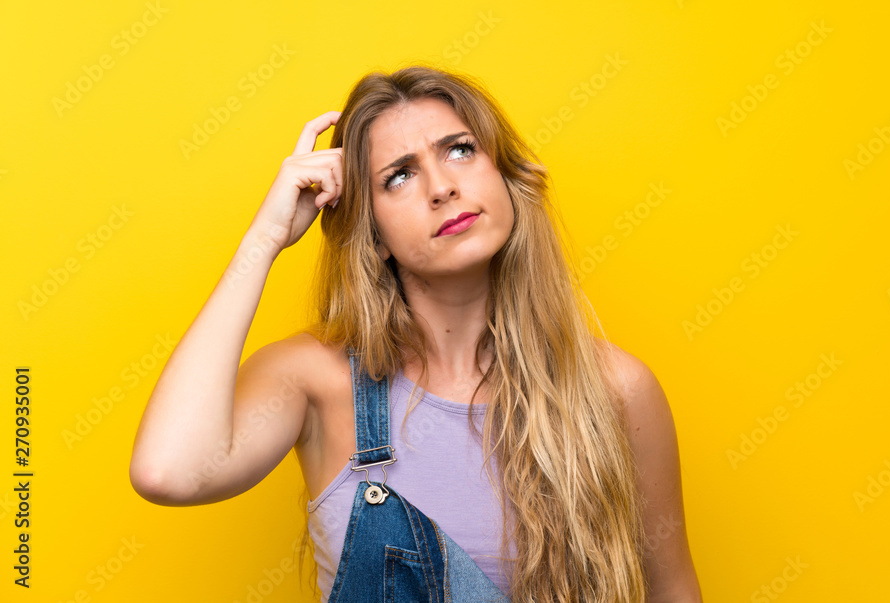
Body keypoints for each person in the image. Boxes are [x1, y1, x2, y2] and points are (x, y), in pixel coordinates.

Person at [129, 65, 702, 602]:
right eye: (398, 176)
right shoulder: (314, 379)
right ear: (371, 233)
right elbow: (167, 471)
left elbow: (672, 593)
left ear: (507, 177)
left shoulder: (617, 389)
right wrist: (266, 239)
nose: (441, 187)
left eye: (460, 150)